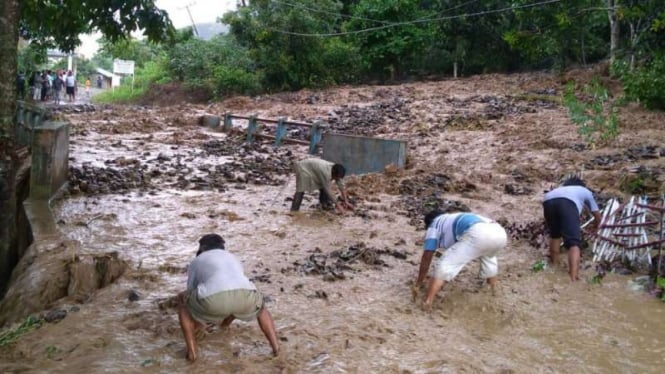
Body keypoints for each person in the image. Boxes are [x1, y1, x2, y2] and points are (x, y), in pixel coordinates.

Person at [177, 234, 280, 361]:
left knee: (182, 300)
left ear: (202, 248)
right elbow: (234, 284)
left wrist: (199, 322)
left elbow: (191, 291)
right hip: (245, 297)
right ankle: (276, 348)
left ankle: (192, 352)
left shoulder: (197, 260)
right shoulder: (233, 257)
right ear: (222, 247)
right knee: (260, 307)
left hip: (214, 301)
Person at [415, 210, 507, 310]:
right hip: (500, 233)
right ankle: (493, 290)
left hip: (478, 233)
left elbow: (427, 256)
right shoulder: (454, 218)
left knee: (444, 265)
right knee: (489, 258)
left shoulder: (434, 224)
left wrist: (419, 283)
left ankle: (428, 302)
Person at [543, 177, 601, 281]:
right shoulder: (585, 191)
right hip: (567, 203)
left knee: (555, 235)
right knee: (574, 243)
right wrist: (596, 227)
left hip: (548, 199)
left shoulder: (560, 189)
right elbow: (597, 214)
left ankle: (554, 266)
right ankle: (573, 278)